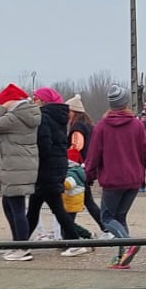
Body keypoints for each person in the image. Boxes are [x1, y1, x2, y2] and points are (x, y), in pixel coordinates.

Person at [86, 83, 146, 268]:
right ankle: (121, 258)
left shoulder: (101, 127)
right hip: (133, 179)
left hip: (112, 180)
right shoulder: (137, 125)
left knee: (106, 218)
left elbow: (93, 155)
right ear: (125, 103)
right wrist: (140, 167)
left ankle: (128, 242)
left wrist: (89, 176)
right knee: (120, 217)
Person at [28, 87, 93, 255]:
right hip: (55, 167)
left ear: (42, 101)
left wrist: (33, 154)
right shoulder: (58, 118)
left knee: (49, 209)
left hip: (46, 170)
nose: (33, 100)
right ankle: (20, 243)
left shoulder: (44, 118)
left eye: (35, 98)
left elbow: (44, 145)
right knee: (45, 209)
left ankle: (74, 241)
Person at [0, 83, 40, 262]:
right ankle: (18, 243)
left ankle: (22, 247)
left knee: (16, 208)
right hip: (21, 164)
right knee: (10, 205)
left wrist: (1, 107)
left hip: (16, 166)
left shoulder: (14, 117)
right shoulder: (28, 113)